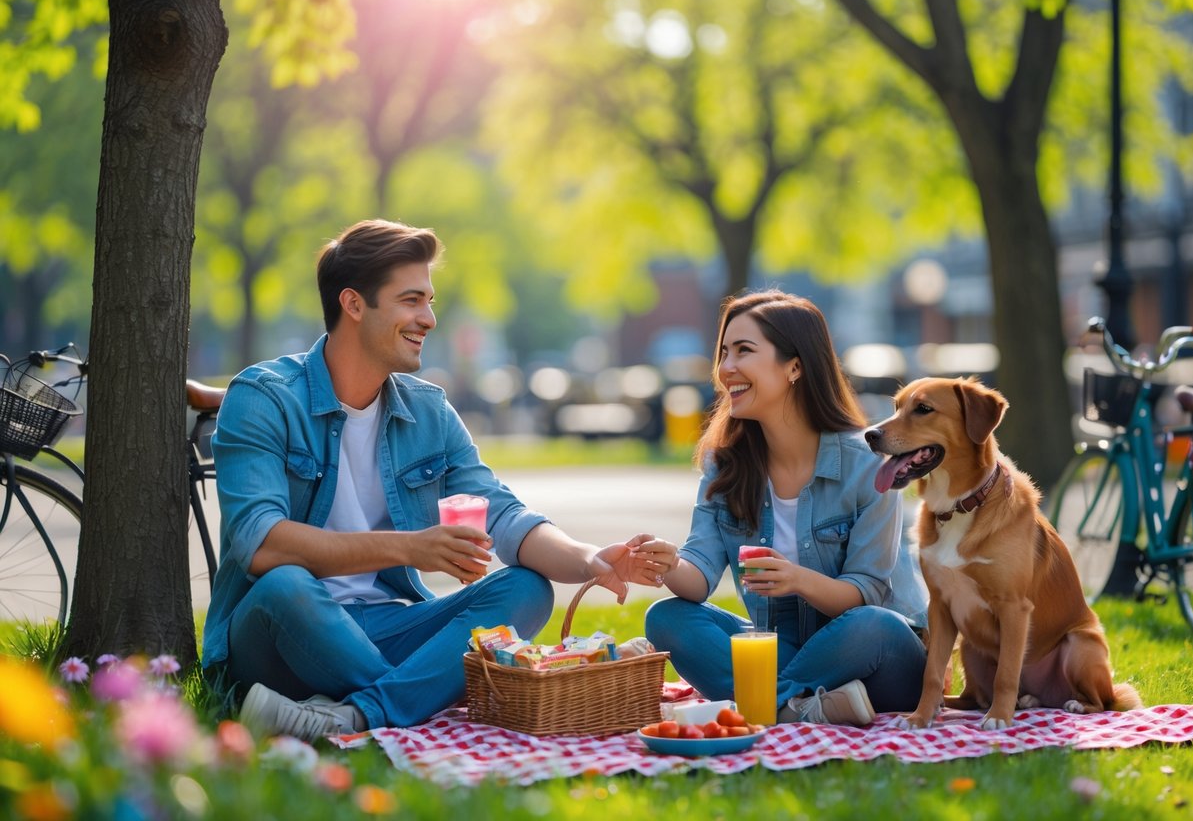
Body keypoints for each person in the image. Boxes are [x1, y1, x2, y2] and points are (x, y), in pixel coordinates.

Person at [201, 219, 670, 741]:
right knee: (287, 584)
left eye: (429, 301)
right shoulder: (264, 397)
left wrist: (589, 560)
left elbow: (504, 514)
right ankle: (416, 701)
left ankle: (356, 715)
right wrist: (408, 548)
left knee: (527, 587)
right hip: (281, 631)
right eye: (411, 300)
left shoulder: (428, 412)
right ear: (354, 304)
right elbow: (261, 546)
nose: (428, 318)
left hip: (388, 629)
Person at [642, 290, 928, 725]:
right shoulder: (726, 465)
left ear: (794, 365)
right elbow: (698, 576)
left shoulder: (867, 464)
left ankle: (762, 703)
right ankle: (795, 709)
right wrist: (668, 563)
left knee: (875, 624)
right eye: (723, 353)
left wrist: (797, 580)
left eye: (744, 351)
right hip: (787, 650)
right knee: (668, 617)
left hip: (876, 657)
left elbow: (867, 592)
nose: (725, 369)